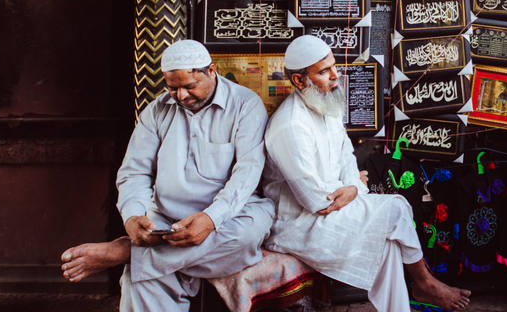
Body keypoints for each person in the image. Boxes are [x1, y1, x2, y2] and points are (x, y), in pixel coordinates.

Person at [59, 40, 274, 311]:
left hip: (230, 216)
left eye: (189, 86)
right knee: (142, 281)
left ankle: (126, 253)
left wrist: (210, 218)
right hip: (167, 220)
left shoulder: (245, 104)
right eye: (172, 88)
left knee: (247, 234)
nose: (181, 95)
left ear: (211, 70)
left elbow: (248, 173)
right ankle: (143, 254)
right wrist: (133, 216)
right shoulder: (157, 110)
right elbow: (134, 172)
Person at [262, 35, 471, 312]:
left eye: (334, 67)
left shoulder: (326, 106)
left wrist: (351, 187)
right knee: (396, 209)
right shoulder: (290, 126)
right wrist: (354, 187)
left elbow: (347, 157)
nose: (336, 76)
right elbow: (316, 201)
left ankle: (405, 302)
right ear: (299, 81)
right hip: (297, 226)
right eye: (324, 71)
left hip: (335, 206)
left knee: (390, 243)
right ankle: (424, 284)